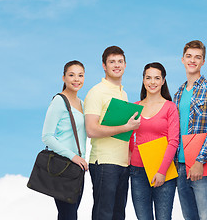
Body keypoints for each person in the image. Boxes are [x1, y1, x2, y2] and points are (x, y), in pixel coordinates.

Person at [84, 46, 141, 220]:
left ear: (125, 64)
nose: (117, 65)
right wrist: (126, 127)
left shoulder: (123, 93)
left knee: (118, 215)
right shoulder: (96, 92)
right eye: (112, 62)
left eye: (120, 61)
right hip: (104, 163)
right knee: (104, 214)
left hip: (123, 164)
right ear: (104, 65)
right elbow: (91, 129)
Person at [174, 40, 207, 220]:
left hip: (202, 166)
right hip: (180, 166)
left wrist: (199, 161)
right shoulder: (179, 93)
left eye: (197, 57)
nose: (192, 60)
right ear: (182, 59)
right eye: (189, 56)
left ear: (203, 61)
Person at [129, 62, 180, 220]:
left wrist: (161, 171)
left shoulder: (170, 107)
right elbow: (129, 136)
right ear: (143, 80)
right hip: (138, 171)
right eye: (148, 78)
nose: (152, 82)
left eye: (157, 78)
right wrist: (131, 157)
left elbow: (173, 141)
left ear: (163, 81)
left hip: (163, 172)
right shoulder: (135, 107)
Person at [42, 60, 88, 220]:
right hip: (63, 167)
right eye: (72, 75)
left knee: (69, 215)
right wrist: (73, 156)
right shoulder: (59, 101)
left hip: (78, 170)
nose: (76, 79)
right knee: (69, 215)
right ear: (63, 78)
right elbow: (47, 136)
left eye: (80, 75)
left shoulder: (83, 104)